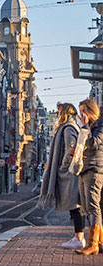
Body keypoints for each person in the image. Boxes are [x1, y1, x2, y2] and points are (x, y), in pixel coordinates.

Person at [38, 102, 84, 249]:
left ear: (63, 112)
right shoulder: (72, 126)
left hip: (69, 174)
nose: (57, 115)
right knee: (75, 205)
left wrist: (63, 168)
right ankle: (78, 236)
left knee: (75, 206)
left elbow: (70, 149)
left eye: (59, 112)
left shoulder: (68, 128)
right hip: (71, 173)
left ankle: (79, 237)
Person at [76, 98, 103, 255]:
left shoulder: (99, 125)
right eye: (80, 112)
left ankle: (93, 244)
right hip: (85, 169)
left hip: (95, 169)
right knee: (86, 207)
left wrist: (85, 127)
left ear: (92, 112)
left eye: (84, 111)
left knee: (93, 206)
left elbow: (93, 144)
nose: (82, 115)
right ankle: (99, 242)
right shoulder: (90, 127)